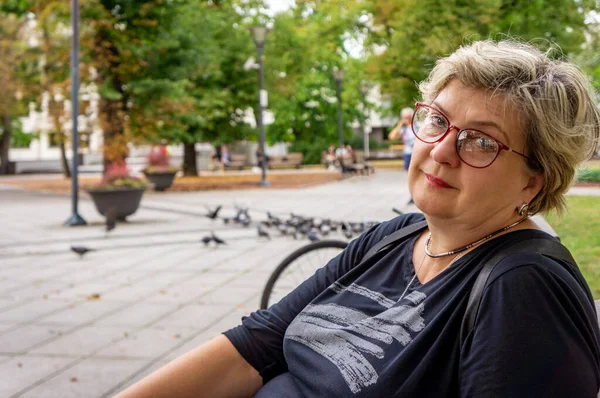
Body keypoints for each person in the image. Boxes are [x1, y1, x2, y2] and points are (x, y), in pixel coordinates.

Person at [114, 40, 600, 397]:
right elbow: (255, 346)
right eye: (438, 121)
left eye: (481, 141)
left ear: (533, 181)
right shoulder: (395, 238)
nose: (441, 150)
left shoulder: (523, 287)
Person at [390, 107, 416, 204]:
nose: (407, 119)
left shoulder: (417, 126)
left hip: (416, 153)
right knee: (409, 175)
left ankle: (415, 196)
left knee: (415, 174)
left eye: (408, 117)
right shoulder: (403, 128)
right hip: (407, 153)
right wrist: (399, 125)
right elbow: (392, 136)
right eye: (405, 117)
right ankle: (412, 196)